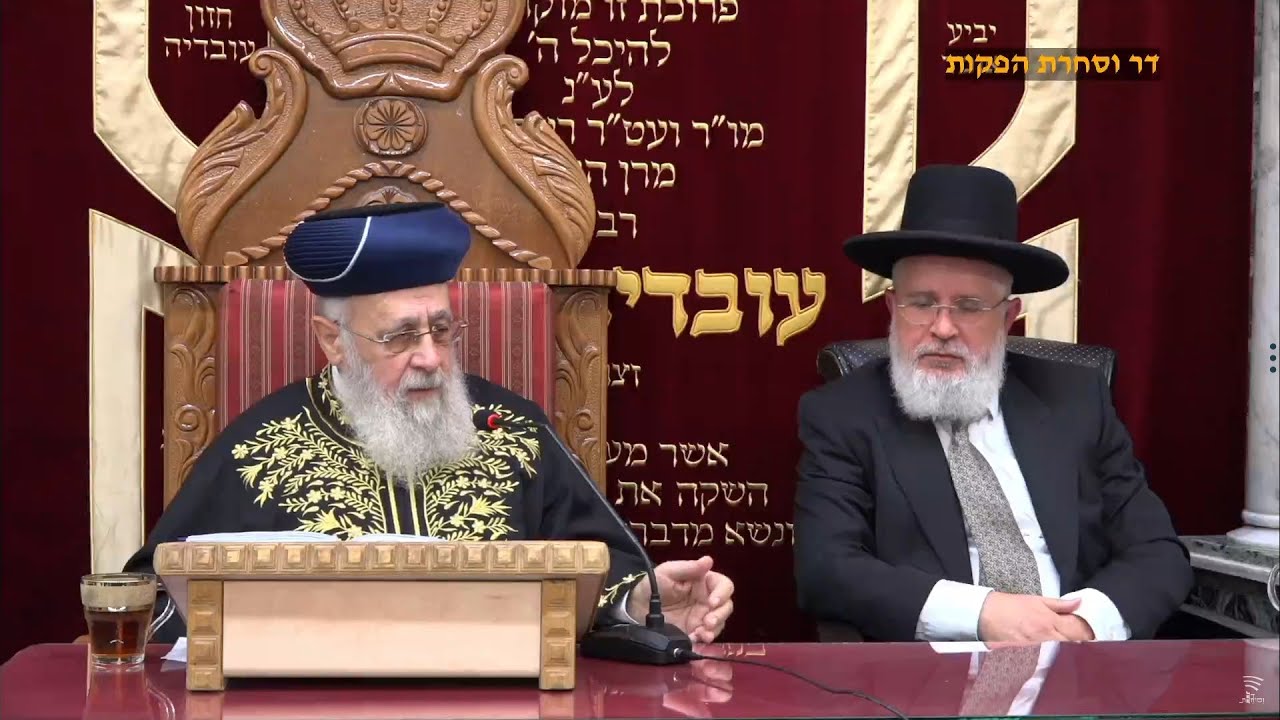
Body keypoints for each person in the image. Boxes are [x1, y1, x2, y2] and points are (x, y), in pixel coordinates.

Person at [125, 201, 734, 643]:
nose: (430, 358)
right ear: (332, 341)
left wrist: (643, 601)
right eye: (399, 336)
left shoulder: (512, 430)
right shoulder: (262, 445)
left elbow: (597, 572)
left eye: (441, 330)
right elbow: (157, 597)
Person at [793, 164, 1192, 644]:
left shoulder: (1076, 400)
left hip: (1082, 663)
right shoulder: (843, 415)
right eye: (922, 303)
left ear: (1008, 317)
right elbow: (827, 568)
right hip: (931, 674)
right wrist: (986, 612)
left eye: (969, 307)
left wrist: (1081, 626)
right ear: (893, 309)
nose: (943, 328)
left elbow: (1157, 552)